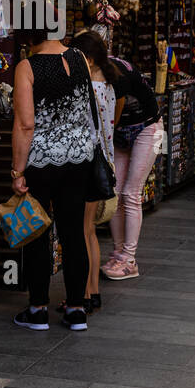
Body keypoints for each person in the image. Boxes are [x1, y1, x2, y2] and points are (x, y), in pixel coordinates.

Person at [10, 13, 95, 332]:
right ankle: (75, 309)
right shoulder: (80, 59)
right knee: (73, 233)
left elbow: (25, 123)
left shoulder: (27, 67)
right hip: (79, 158)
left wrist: (18, 170)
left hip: (42, 161)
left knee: (37, 233)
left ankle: (38, 309)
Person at [69, 30, 119, 313]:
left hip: (87, 163)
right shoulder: (109, 85)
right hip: (103, 163)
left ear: (87, 59)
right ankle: (94, 291)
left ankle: (84, 294)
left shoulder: (89, 87)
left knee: (83, 230)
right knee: (90, 232)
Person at [102, 49, 161, 281]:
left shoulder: (116, 73)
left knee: (131, 192)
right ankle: (118, 254)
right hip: (123, 134)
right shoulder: (96, 70)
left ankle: (129, 259)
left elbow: (114, 113)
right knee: (116, 194)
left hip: (151, 129)